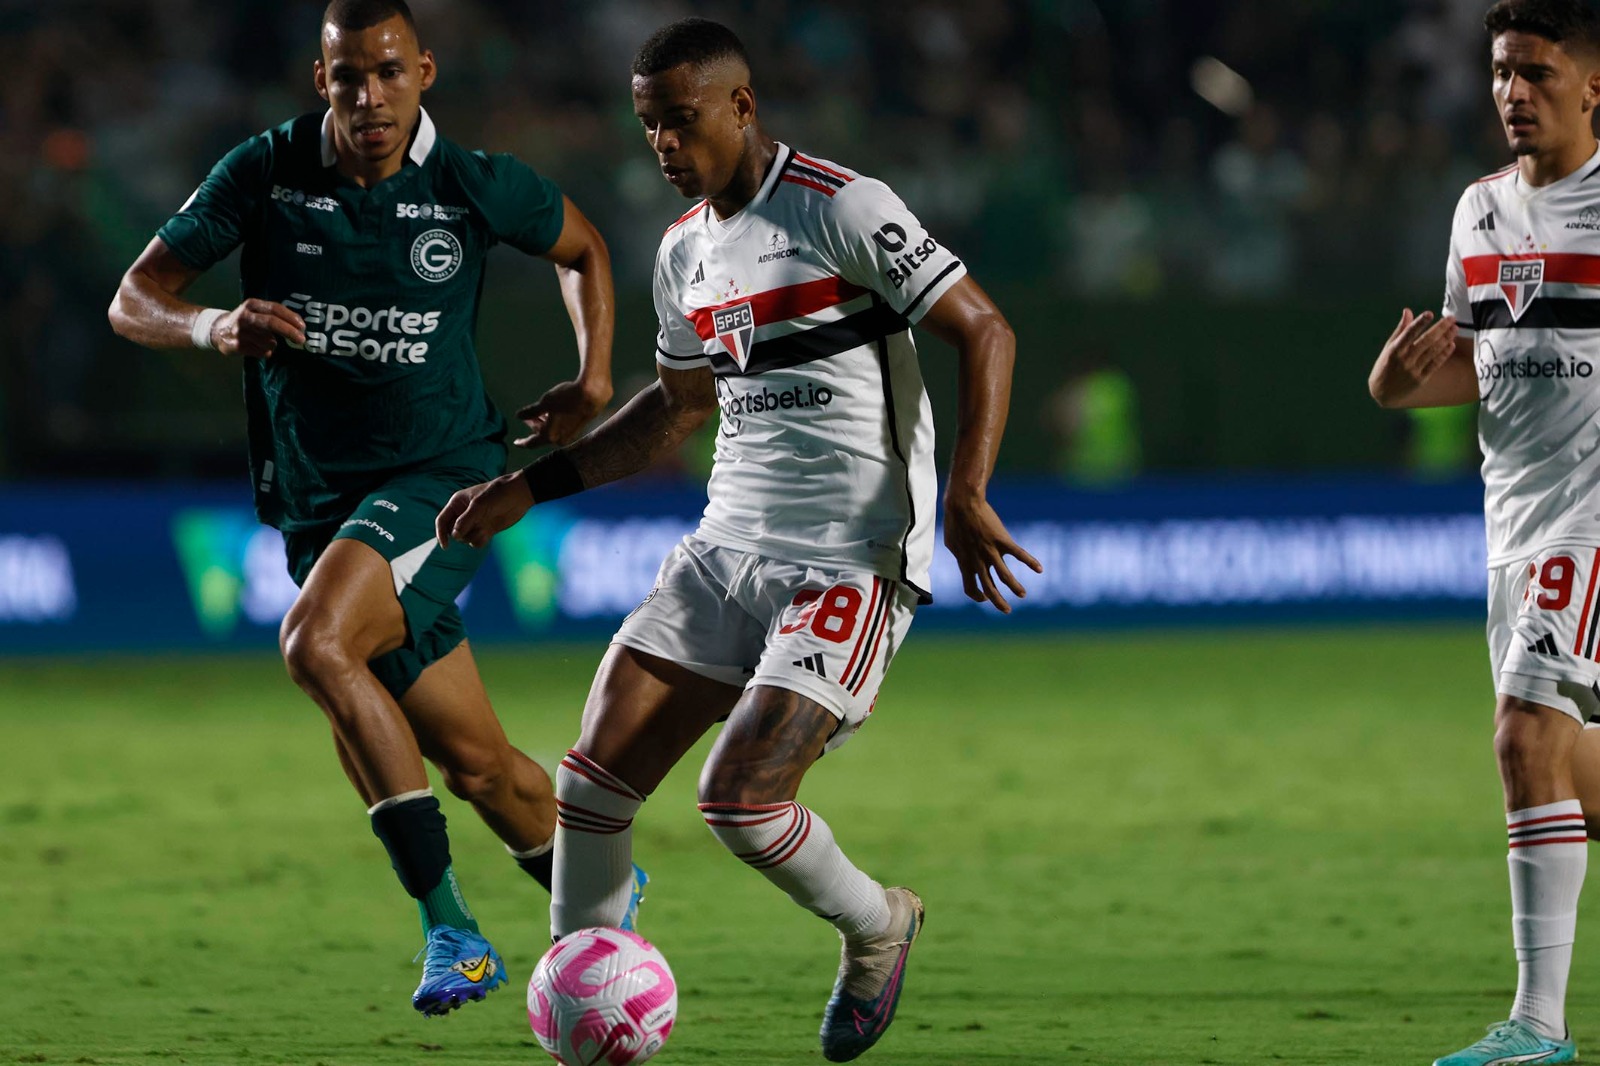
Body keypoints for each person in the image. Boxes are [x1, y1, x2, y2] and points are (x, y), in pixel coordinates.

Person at [437, 17, 1041, 1062]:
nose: (664, 145)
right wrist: (528, 488)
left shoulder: (838, 205)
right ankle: (586, 1015)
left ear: (741, 106)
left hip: (850, 556)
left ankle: (877, 925)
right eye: (647, 127)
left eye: (680, 121)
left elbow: (983, 327)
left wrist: (967, 490)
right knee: (588, 786)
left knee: (741, 801)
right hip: (726, 546)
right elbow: (676, 410)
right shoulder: (683, 251)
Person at [107, 0, 619, 1018]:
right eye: (349, 76)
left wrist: (594, 377)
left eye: (388, 72)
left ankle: (452, 932)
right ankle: (605, 905)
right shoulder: (266, 171)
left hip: (441, 478)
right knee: (477, 765)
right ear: (321, 78)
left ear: (424, 70)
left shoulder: (471, 183)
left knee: (315, 643)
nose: (369, 96)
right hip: (315, 500)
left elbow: (583, 249)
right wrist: (213, 324)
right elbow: (135, 296)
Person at [1368, 2, 1600, 1063]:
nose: (1512, 90)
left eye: (1537, 73)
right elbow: (1474, 364)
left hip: (1592, 522)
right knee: (1563, 765)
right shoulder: (1478, 212)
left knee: (1520, 735)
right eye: (1502, 70)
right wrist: (1395, 381)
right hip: (1512, 521)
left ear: (1592, 87)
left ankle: (1536, 1027)